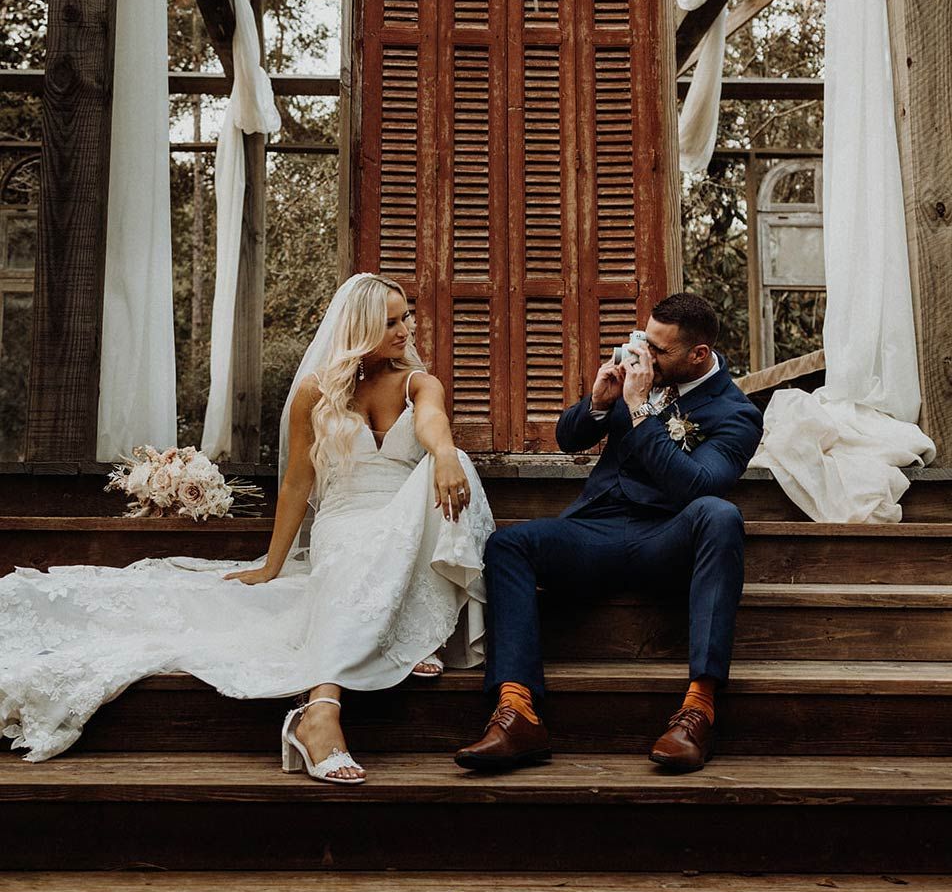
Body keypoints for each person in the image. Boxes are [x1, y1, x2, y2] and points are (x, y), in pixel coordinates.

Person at [0, 274, 494, 781]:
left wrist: (442, 453)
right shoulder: (315, 394)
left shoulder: (419, 382)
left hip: (404, 511)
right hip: (346, 519)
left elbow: (432, 420)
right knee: (352, 555)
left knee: (452, 462)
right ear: (362, 327)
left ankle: (376, 660)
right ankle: (322, 712)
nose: (406, 329)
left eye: (406, 315)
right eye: (391, 321)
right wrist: (273, 564)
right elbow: (298, 484)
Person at [456, 292, 763, 776]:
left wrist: (639, 409)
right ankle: (518, 712)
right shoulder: (642, 377)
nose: (645, 354)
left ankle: (698, 709)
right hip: (595, 530)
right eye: (644, 339)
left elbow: (697, 485)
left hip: (665, 538)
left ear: (698, 355)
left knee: (720, 515)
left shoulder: (736, 413)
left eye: (660, 350)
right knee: (508, 543)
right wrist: (598, 403)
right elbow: (567, 438)